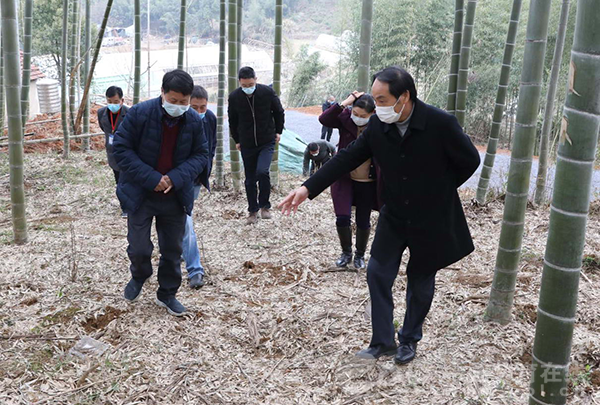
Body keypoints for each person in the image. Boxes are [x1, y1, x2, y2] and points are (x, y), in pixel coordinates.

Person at [280, 66, 480, 365]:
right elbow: (347, 157)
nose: (378, 106)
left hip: (432, 217)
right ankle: (383, 341)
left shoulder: (440, 123)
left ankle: (409, 340)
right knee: (377, 272)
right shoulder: (378, 126)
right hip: (394, 213)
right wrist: (308, 188)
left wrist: (439, 189)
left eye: (383, 100)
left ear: (404, 97)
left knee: (420, 278)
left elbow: (469, 160)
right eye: (375, 99)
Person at [113, 70, 208, 317]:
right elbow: (121, 149)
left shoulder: (194, 120)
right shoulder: (139, 113)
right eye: (173, 100)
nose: (178, 106)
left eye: (183, 102)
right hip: (141, 194)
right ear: (162, 93)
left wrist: (174, 178)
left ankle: (167, 293)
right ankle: (140, 275)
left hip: (174, 195)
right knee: (139, 247)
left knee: (172, 250)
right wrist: (152, 178)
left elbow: (201, 155)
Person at [318, 92, 381, 269]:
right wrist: (345, 103)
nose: (358, 118)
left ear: (373, 113)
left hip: (367, 180)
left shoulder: (379, 125)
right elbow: (324, 119)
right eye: (355, 113)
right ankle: (346, 253)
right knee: (342, 217)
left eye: (363, 116)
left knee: (363, 220)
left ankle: (360, 255)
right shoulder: (346, 119)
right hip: (344, 177)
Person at [228, 66, 285, 225]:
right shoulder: (234, 97)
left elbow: (279, 112)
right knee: (250, 179)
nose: (248, 88)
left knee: (262, 171)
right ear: (239, 83)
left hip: (266, 140)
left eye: (251, 84)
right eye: (244, 85)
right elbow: (233, 120)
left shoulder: (267, 92)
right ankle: (252, 211)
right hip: (247, 143)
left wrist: (278, 131)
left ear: (256, 80)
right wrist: (237, 140)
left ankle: (265, 206)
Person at [181, 86, 216, 289]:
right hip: (180, 178)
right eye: (195, 107)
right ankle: (195, 269)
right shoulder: (179, 119)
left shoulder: (209, 118)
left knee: (183, 219)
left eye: (203, 107)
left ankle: (179, 251)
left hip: (197, 179)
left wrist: (205, 171)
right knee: (186, 222)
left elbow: (212, 146)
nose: (199, 112)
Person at [97, 86, 130, 217]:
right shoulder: (101, 113)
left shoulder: (129, 113)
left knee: (126, 180)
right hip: (112, 153)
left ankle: (128, 207)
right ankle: (124, 206)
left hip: (127, 152)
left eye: (116, 102)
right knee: (118, 180)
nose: (112, 105)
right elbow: (104, 128)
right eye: (109, 102)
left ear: (122, 100)